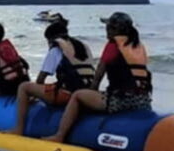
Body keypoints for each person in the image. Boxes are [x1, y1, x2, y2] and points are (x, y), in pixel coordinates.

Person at [43, 12, 152, 143]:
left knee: (78, 95)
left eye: (108, 27)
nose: (105, 29)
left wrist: (90, 93)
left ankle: (59, 135)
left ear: (114, 29)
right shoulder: (137, 45)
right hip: (143, 101)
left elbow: (99, 75)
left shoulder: (113, 45)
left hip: (121, 101)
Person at [8, 19, 94, 135]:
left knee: (24, 87)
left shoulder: (56, 48)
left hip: (67, 95)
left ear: (50, 38)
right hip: (87, 94)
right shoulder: (83, 46)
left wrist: (35, 95)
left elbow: (41, 79)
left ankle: (19, 128)